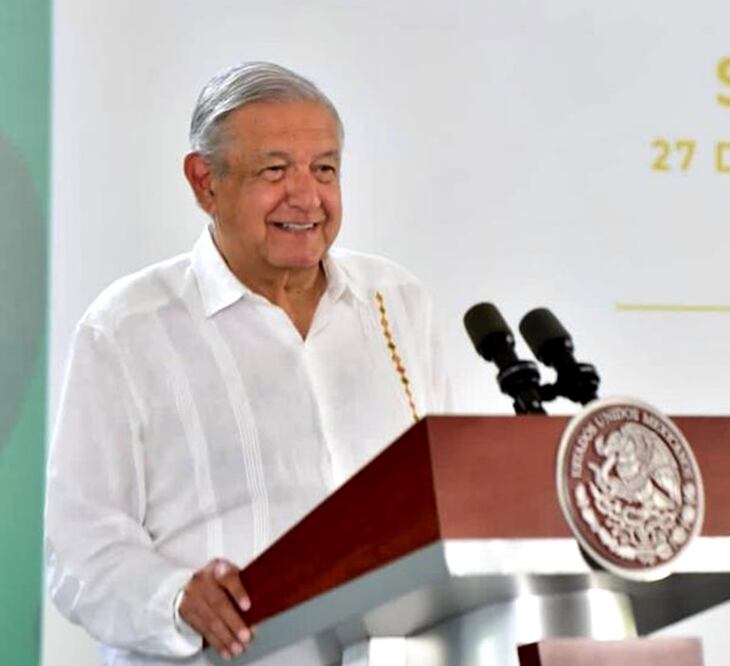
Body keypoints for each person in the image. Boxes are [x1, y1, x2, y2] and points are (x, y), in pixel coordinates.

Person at [44, 62, 448, 665]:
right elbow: (79, 549)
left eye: (325, 169)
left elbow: (442, 502)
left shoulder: (398, 303)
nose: (306, 197)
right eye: (274, 170)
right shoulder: (127, 329)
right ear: (204, 182)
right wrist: (175, 597)